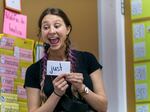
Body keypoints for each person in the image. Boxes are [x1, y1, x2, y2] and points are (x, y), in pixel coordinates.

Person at [24, 7, 108, 112]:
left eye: (57, 26)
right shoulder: (33, 70)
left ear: (68, 29)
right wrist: (56, 94)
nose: (51, 31)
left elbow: (103, 107)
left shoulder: (87, 59)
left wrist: (82, 88)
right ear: (41, 33)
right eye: (46, 27)